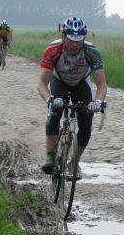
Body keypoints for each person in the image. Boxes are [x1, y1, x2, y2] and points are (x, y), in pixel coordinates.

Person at [37, 16, 107, 179]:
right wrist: (50, 99)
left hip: (81, 83)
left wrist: (98, 102)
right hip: (59, 80)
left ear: (84, 38)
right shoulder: (53, 50)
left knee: (86, 124)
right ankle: (50, 156)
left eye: (79, 40)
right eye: (71, 40)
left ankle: (73, 162)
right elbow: (41, 83)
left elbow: (102, 84)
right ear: (63, 37)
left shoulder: (92, 52)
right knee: (54, 113)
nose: (75, 44)